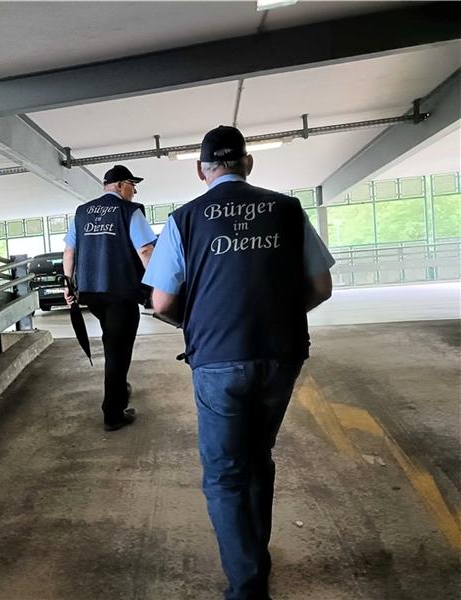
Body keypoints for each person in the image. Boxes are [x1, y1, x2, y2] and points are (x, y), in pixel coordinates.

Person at [142, 126, 334, 600]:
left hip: (216, 360)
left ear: (201, 170)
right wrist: (277, 317)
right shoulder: (287, 209)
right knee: (257, 458)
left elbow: (162, 302)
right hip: (280, 355)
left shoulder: (184, 219)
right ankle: (255, 557)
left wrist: (204, 322)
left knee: (225, 473)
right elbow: (322, 288)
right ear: (248, 164)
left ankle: (247, 587)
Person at [63, 164, 157, 431]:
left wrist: (68, 284)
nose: (135, 190)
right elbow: (146, 251)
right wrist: (161, 286)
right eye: (131, 184)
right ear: (119, 185)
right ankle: (113, 412)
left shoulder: (82, 212)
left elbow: (69, 251)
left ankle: (120, 387)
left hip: (92, 295)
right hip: (121, 293)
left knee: (112, 341)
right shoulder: (129, 211)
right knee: (118, 350)